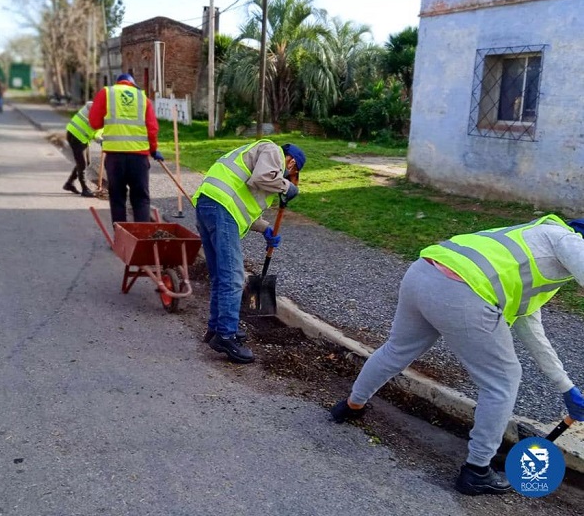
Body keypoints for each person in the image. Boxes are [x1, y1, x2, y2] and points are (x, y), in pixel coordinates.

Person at [330, 214, 584, 496]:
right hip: (462, 293)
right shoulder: (567, 240)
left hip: (423, 273)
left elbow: (531, 330)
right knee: (502, 381)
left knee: (396, 350)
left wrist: (566, 386)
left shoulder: (536, 241)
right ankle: (477, 471)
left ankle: (351, 406)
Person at [192, 140, 305, 364]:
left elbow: (242, 204)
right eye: (291, 173)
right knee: (233, 278)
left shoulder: (259, 158)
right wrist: (287, 187)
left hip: (209, 205)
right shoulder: (273, 150)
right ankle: (226, 336)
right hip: (221, 209)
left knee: (220, 276)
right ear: (291, 162)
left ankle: (215, 328)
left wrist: (266, 229)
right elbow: (261, 178)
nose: (286, 175)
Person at [88, 73, 162, 223]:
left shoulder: (106, 93)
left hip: (115, 158)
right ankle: (142, 233)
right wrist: (154, 150)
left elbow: (94, 123)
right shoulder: (142, 98)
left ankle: (121, 234)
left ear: (118, 83)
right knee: (141, 198)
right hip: (139, 158)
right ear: (132, 84)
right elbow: (152, 129)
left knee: (117, 198)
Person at [63, 101, 102, 198]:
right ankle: (85, 189)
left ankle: (69, 183)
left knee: (86, 162)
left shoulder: (105, 111)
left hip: (82, 137)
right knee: (82, 163)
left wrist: (100, 138)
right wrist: (100, 139)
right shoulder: (99, 109)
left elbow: (97, 130)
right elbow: (95, 124)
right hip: (76, 135)